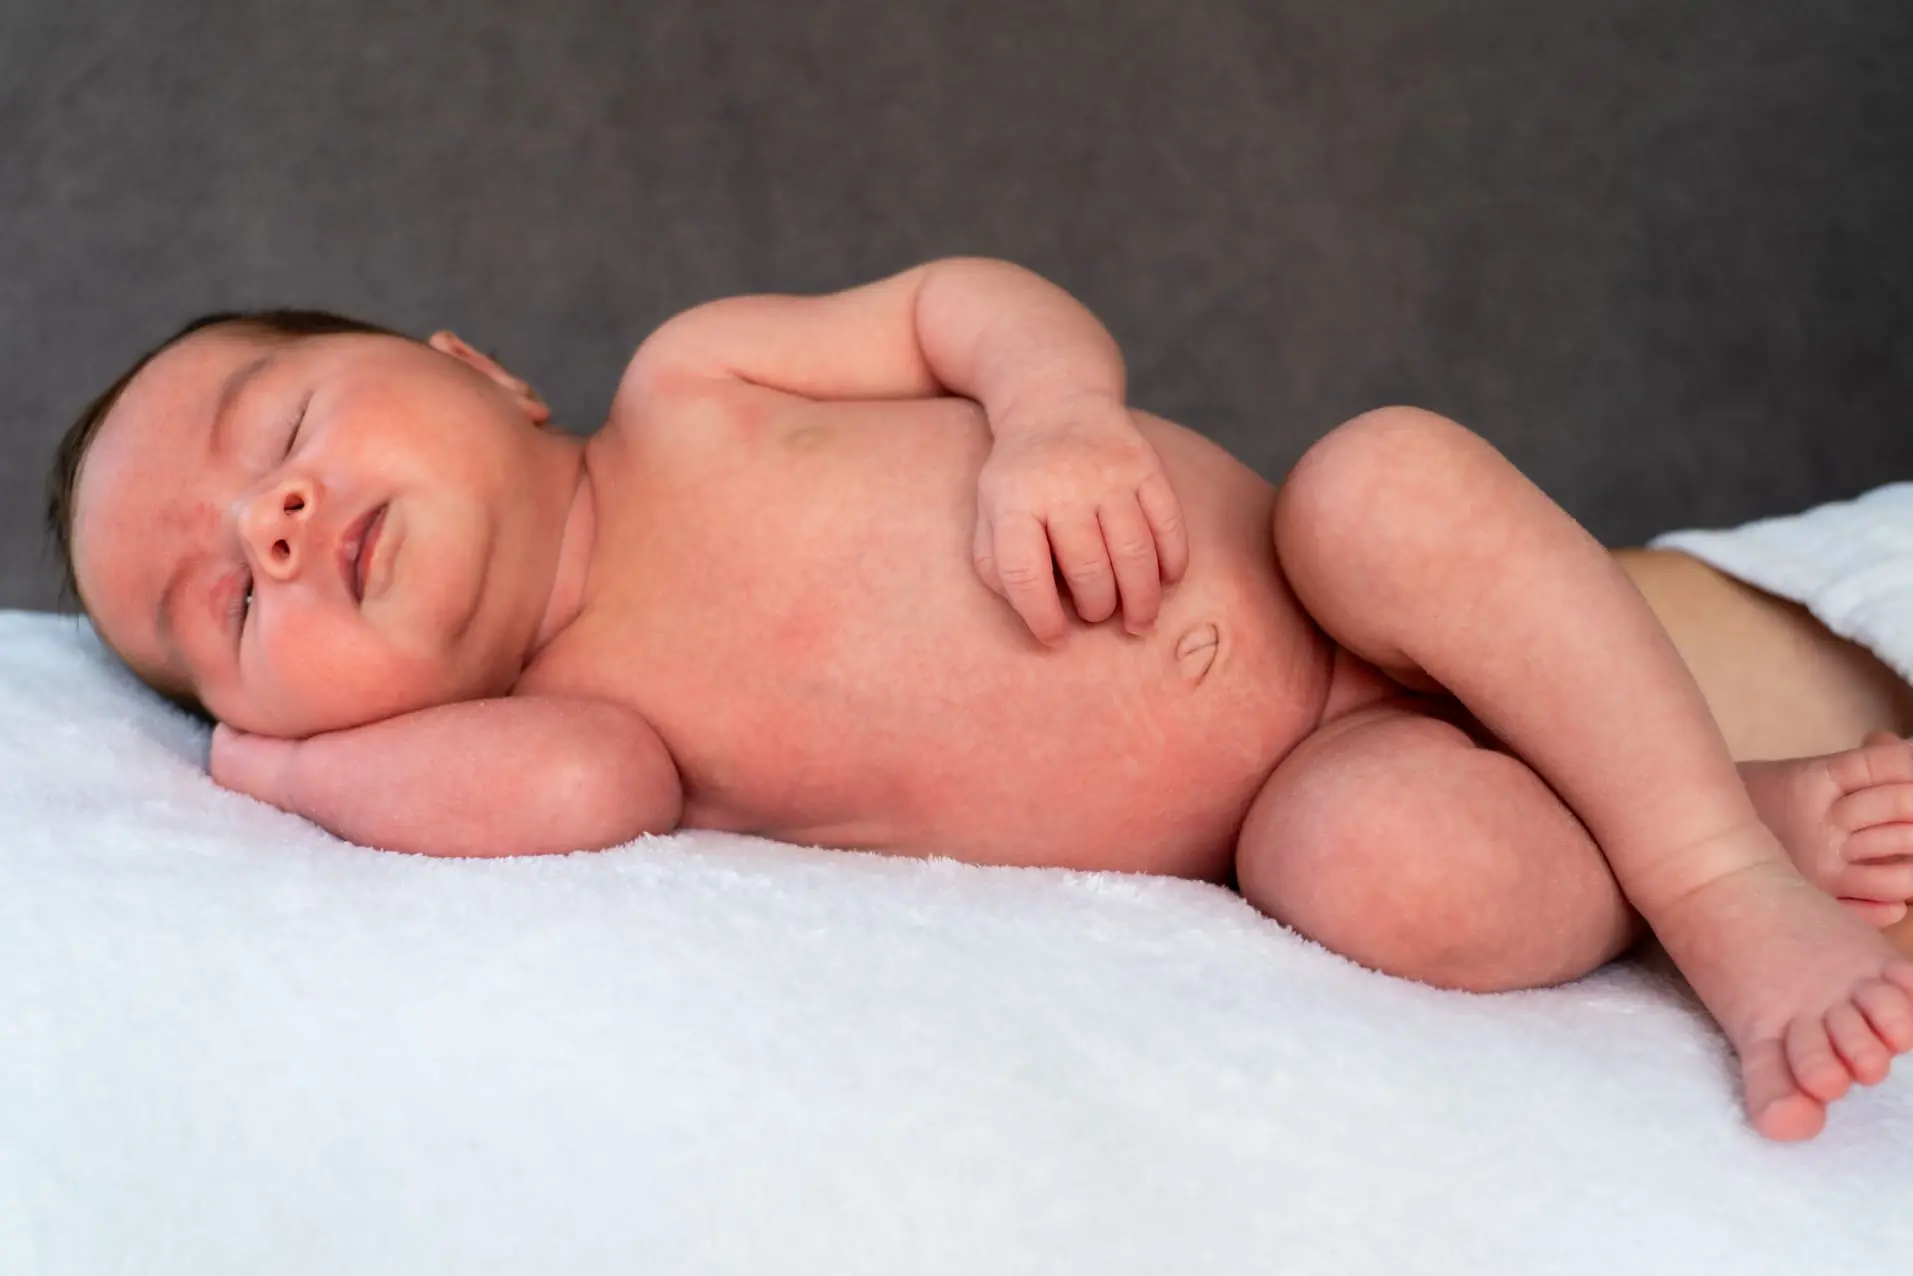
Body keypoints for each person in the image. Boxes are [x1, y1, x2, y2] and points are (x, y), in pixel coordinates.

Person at [48, 257, 1913, 1141]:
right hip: (1302, 788)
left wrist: (1054, 417)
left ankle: (1721, 882)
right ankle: (1743, 804)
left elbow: (965, 303)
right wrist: (279, 766)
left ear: (480, 368)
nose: (274, 524)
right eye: (216, 600)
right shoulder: (581, 720)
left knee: (1387, 484)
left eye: (279, 432)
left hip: (1337, 590)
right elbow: (558, 803)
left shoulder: (698, 381)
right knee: (1394, 871)